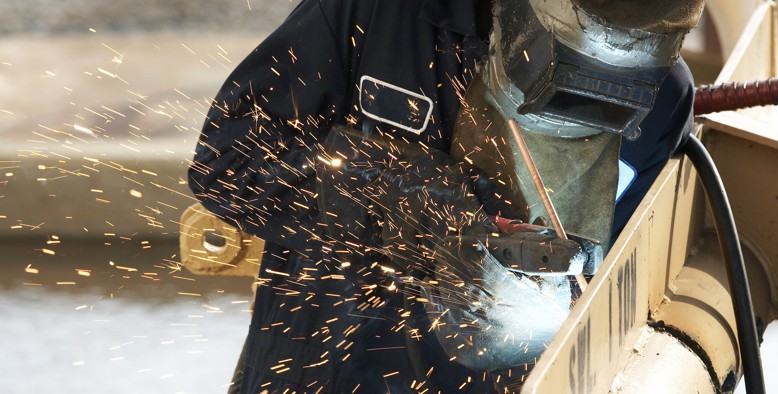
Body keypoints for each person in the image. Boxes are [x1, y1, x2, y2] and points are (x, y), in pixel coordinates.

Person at [188, 0, 703, 392]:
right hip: (322, 375)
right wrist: (415, 207)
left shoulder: (666, 99)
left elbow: (614, 301)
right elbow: (229, 160)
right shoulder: (385, 13)